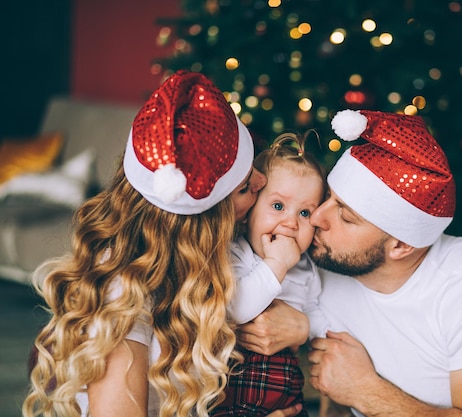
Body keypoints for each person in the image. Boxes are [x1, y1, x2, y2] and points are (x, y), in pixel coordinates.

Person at [21, 70, 302, 417]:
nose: (263, 180)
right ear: (203, 223)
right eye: (245, 187)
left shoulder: (210, 260)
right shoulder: (123, 294)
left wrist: (302, 327)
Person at [238, 109, 462, 417]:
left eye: (345, 216)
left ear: (401, 245)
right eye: (328, 197)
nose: (317, 217)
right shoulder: (319, 262)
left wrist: (366, 390)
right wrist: (301, 327)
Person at [212, 131, 329, 416]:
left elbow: (319, 317)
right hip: (230, 396)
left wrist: (305, 329)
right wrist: (276, 264)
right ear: (249, 212)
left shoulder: (306, 269)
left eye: (304, 213)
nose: (290, 222)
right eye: (278, 206)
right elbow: (235, 310)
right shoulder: (235, 254)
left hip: (288, 399)